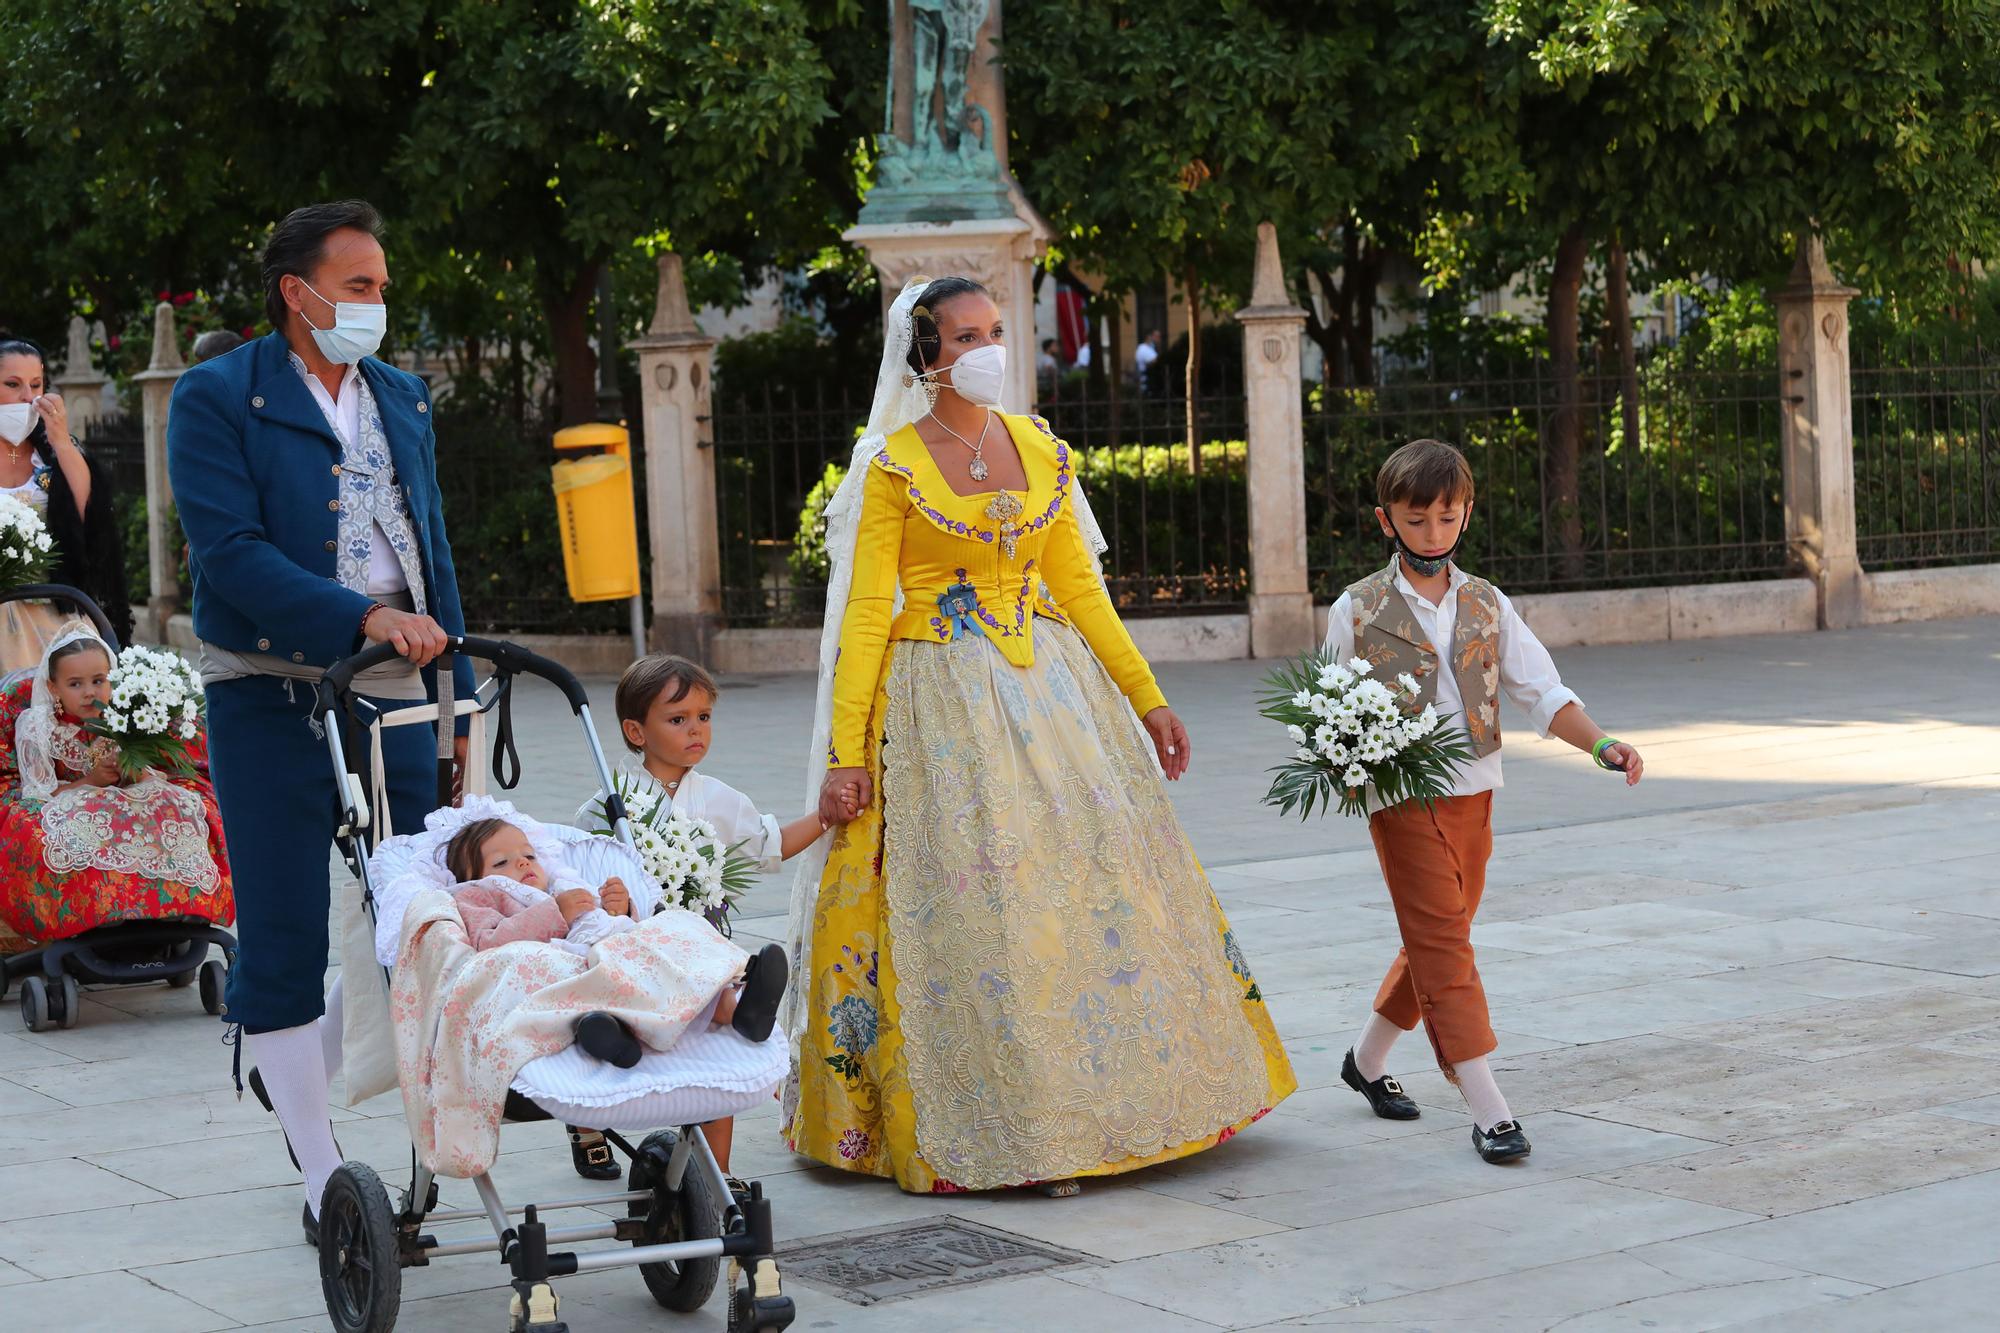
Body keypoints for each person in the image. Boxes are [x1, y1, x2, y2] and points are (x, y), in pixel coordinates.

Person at [782, 276, 1295, 1196]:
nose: (988, 348)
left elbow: (1081, 590)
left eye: (994, 330)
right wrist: (846, 755)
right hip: (936, 700)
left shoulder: (1040, 449)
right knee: (987, 898)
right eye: (967, 335)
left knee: (1090, 886)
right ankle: (1017, 1118)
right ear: (927, 355)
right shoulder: (892, 465)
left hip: (1052, 695)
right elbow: (866, 617)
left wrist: (1148, 699)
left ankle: (1123, 1104)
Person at [167, 199, 475, 1247]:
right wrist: (362, 612)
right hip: (267, 687)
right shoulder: (217, 395)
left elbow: (432, 543)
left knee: (415, 913)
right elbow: (232, 553)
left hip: (399, 686)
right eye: (359, 286)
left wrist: (460, 695)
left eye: (381, 285)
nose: (377, 304)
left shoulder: (400, 394)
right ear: (298, 294)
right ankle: (321, 1172)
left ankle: (307, 1063)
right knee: (288, 923)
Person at [1324, 438, 1644, 1164]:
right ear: (1386, 520)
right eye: (1416, 519)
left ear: (1465, 514)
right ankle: (1489, 1107)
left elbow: (1542, 690)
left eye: (1446, 518)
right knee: (1446, 942)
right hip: (1401, 794)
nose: (1432, 534)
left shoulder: (1488, 603)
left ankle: (1366, 1061)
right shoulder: (1357, 607)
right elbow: (1327, 704)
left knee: (1440, 934)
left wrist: (1601, 744)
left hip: (1474, 791)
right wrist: (1348, 766)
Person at [572, 652, 856, 1178]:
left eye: (703, 718)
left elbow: (768, 844)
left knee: (717, 1053)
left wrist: (823, 817)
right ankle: (585, 1119)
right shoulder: (610, 805)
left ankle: (714, 1176)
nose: (695, 731)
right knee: (612, 1015)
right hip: (636, 947)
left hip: (699, 947)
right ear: (637, 731)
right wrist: (609, 897)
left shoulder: (720, 799)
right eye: (677, 720)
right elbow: (579, 872)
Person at [438, 816, 787, 1060]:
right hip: (568, 968)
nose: (523, 865)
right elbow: (487, 946)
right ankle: (613, 1034)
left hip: (617, 953)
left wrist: (620, 909)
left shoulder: (564, 885)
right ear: (471, 876)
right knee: (613, 974)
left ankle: (736, 1004)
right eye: (502, 862)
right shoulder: (477, 895)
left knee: (674, 927)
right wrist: (555, 913)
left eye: (529, 856)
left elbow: (606, 924)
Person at [0, 622, 231, 946]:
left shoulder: (125, 717)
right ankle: (100, 911)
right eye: (75, 684)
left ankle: (167, 907)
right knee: (74, 827)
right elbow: (39, 797)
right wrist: (90, 781)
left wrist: (135, 772)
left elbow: (153, 771)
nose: (90, 692)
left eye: (99, 681)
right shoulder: (40, 728)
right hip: (69, 802)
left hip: (123, 799)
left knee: (171, 805)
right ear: (54, 688)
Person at [0, 337, 134, 662]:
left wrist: (60, 439)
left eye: (36, 384)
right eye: (12, 384)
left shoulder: (52, 452)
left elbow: (89, 514)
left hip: (56, 612)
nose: (27, 397)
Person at [1135, 328, 1162, 394]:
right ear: (1149, 337)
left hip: (1152, 383)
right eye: (1156, 336)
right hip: (1147, 384)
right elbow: (1154, 362)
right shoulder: (1143, 349)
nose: (1159, 339)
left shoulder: (1151, 348)